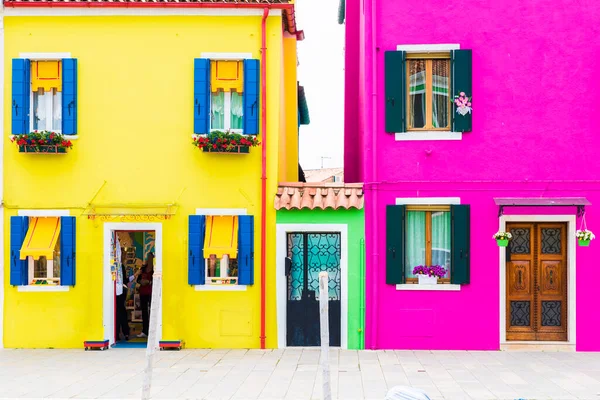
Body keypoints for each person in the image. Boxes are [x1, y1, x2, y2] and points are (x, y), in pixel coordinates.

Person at [136, 253, 154, 338]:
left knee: (152, 311)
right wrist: (141, 282)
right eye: (148, 258)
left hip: (151, 293)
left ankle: (152, 330)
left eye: (151, 258)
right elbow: (138, 279)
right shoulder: (143, 268)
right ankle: (145, 330)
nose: (149, 259)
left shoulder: (155, 269)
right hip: (143, 293)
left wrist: (149, 282)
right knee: (144, 312)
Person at [115, 253, 130, 341]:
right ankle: (125, 332)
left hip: (118, 292)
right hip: (121, 292)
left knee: (118, 312)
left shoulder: (119, 266)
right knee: (122, 312)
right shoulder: (121, 267)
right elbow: (125, 280)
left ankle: (118, 333)